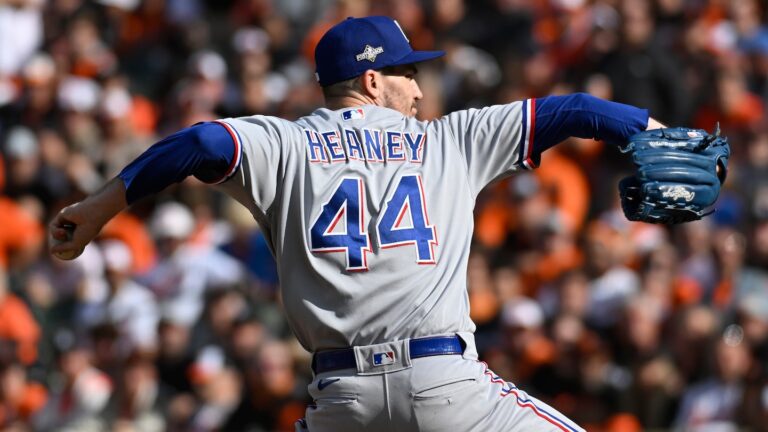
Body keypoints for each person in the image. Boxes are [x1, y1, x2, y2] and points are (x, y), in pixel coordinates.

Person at [50, 15, 667, 431]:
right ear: (373, 80)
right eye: (408, 74)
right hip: (446, 389)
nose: (419, 91)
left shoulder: (286, 146)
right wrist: (664, 137)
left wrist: (97, 209)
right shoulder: (449, 140)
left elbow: (200, 143)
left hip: (343, 401)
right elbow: (576, 110)